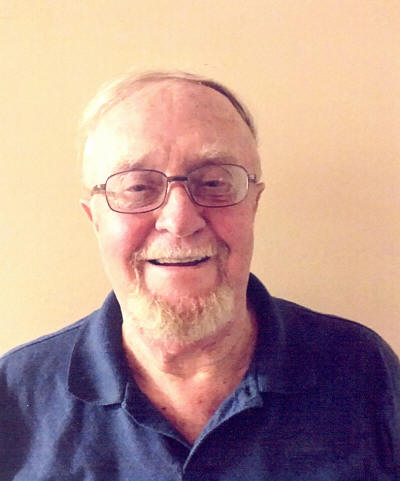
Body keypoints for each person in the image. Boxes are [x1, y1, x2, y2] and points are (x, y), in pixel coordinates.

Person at [0, 71, 399, 481]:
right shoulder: (14, 394)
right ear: (95, 219)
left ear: (253, 204)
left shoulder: (363, 371)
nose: (180, 220)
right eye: (137, 188)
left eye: (214, 182)